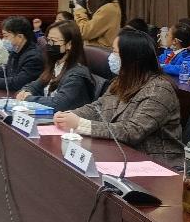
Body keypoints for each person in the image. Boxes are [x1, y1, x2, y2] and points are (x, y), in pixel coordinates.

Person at [53, 29, 183, 156]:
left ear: (131, 58)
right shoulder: (121, 80)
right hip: (117, 151)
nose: (111, 57)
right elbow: (98, 107)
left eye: (115, 52)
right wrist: (69, 115)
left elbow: (132, 131)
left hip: (155, 162)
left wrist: (81, 124)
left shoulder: (159, 89)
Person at [16, 20, 94, 110]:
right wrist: (25, 91)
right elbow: (35, 85)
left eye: (53, 41)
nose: (49, 44)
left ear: (69, 44)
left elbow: (59, 104)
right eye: (48, 40)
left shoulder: (77, 74)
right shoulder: (56, 64)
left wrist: (28, 98)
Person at [0, 15, 45, 90]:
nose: (4, 40)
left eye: (6, 36)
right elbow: (4, 70)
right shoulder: (16, 51)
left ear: (20, 37)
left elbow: (17, 83)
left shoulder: (34, 56)